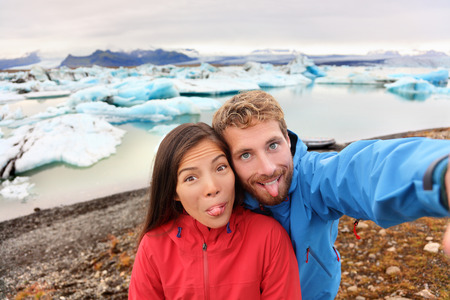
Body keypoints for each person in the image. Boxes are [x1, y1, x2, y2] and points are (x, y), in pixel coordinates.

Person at [212, 90, 450, 300]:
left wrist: (437, 173)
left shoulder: (311, 178)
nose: (267, 168)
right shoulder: (221, 201)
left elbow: (360, 171)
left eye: (273, 145)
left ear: (287, 140)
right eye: (245, 155)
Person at [128, 122, 301, 299]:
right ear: (173, 191)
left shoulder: (269, 237)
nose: (212, 188)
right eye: (191, 178)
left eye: (220, 168)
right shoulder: (153, 247)